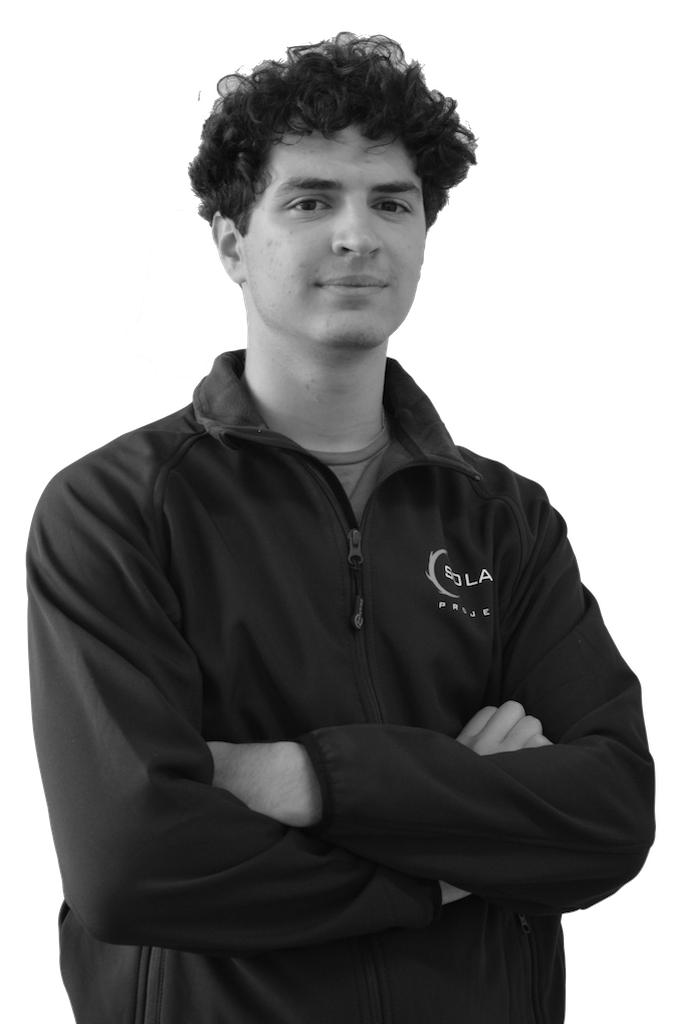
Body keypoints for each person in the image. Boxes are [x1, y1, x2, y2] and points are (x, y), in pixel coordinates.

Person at [27, 31, 655, 1024]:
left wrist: (299, 777)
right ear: (229, 240)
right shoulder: (115, 508)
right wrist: (453, 857)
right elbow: (134, 863)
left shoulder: (504, 518)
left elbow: (608, 820)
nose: (357, 235)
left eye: (391, 204)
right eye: (310, 201)